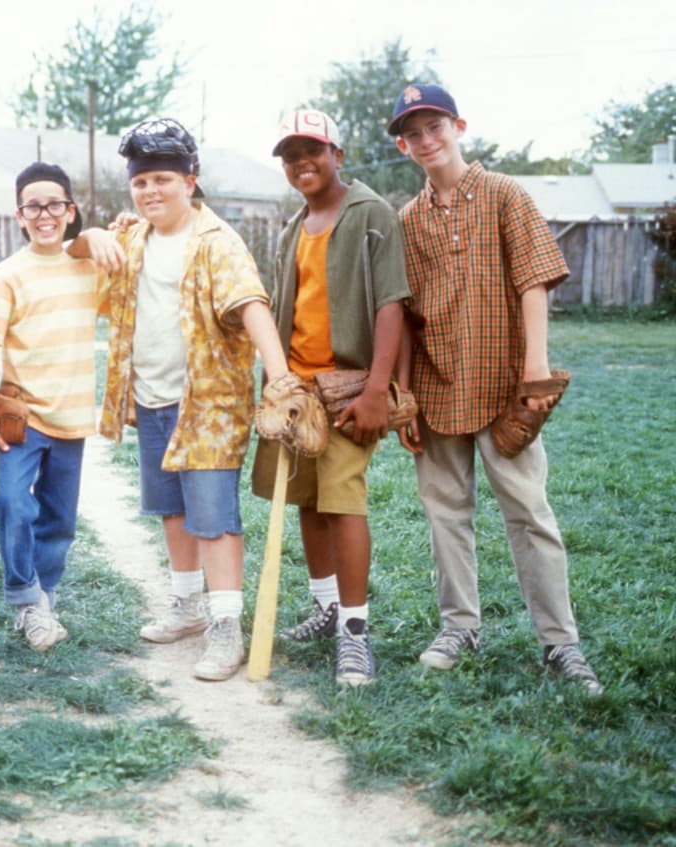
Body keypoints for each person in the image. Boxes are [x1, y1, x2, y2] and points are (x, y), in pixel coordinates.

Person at [389, 84, 602, 694]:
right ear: (404, 146)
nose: (427, 140)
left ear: (458, 125)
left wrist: (535, 372)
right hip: (435, 387)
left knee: (528, 512)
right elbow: (405, 314)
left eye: (436, 126)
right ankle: (459, 627)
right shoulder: (409, 219)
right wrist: (404, 394)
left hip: (504, 382)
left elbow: (535, 281)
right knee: (445, 512)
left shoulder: (506, 193)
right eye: (414, 133)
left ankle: (560, 643)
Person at [74, 117, 293, 681]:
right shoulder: (132, 238)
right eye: (141, 182)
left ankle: (225, 626)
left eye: (163, 179)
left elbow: (251, 305)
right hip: (151, 397)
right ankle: (188, 607)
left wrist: (280, 376)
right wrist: (92, 234)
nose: (151, 191)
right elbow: (69, 252)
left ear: (190, 181)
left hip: (208, 405)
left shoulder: (216, 242)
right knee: (171, 510)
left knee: (214, 518)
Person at [249, 110, 409, 687]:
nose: (301, 163)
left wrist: (376, 390)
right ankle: (325, 608)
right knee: (309, 502)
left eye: (312, 151)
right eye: (290, 155)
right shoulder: (294, 225)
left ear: (337, 153)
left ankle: (355, 632)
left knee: (344, 502)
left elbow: (392, 304)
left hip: (348, 388)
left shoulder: (371, 215)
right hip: (301, 390)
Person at [0, 162, 102, 652]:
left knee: (59, 517)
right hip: (23, 417)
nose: (44, 213)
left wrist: (104, 234)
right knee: (11, 502)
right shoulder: (9, 273)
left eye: (54, 204)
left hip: (73, 415)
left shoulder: (90, 268)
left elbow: (130, 264)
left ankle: (45, 597)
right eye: (33, 206)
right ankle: (25, 597)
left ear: (70, 211)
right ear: (19, 215)